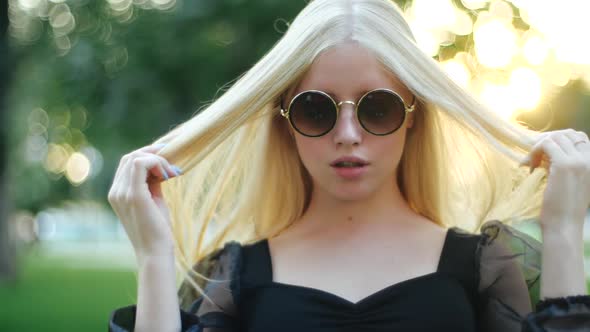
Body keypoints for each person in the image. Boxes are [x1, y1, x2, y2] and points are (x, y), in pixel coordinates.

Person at [107, 0, 590, 331]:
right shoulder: (233, 277)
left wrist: (565, 231)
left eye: (377, 107)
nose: (348, 134)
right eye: (315, 109)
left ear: (414, 117)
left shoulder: (482, 268)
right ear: (285, 123)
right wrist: (152, 259)